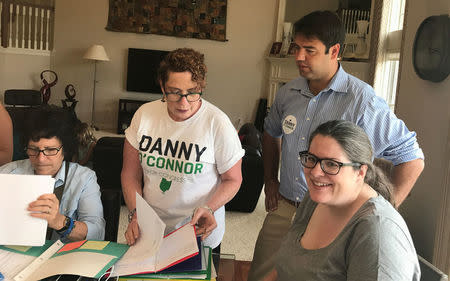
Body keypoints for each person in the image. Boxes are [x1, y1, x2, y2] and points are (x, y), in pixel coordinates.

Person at [248, 10, 425, 281]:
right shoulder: (287, 93)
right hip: (286, 208)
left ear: (334, 52)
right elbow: (271, 133)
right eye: (296, 48)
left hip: (336, 215)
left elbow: (412, 157)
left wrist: (383, 209)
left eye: (310, 50)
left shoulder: (363, 101)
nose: (298, 57)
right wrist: (270, 179)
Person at [263, 120, 421, 281]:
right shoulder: (317, 198)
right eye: (311, 159)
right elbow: (285, 267)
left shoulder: (378, 234)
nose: (315, 172)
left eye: (331, 164)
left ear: (360, 172)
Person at [121, 48, 244, 252]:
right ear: (162, 87)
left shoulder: (217, 123)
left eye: (192, 92)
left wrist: (209, 208)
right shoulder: (144, 115)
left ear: (201, 86)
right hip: (151, 228)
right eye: (175, 93)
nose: (184, 103)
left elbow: (233, 179)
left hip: (197, 231)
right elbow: (130, 174)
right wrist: (136, 214)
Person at [0, 106, 105, 241]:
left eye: (50, 150)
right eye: (33, 149)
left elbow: (97, 234)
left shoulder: (84, 179)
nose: (41, 159)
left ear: (65, 149)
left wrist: (60, 221)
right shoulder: (7, 173)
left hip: (65, 257)